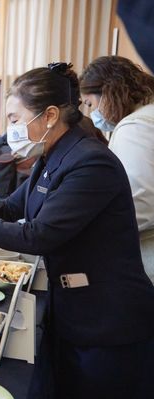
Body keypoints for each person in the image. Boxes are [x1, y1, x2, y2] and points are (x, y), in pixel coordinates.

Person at [0, 62, 154, 399]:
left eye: (14, 119)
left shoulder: (90, 161)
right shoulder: (50, 157)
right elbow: (11, 206)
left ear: (49, 115)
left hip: (106, 316)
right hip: (69, 304)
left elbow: (39, 235)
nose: (11, 129)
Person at [79, 55, 154, 282]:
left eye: (90, 104)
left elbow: (140, 200)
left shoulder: (135, 127)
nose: (91, 113)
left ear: (108, 93)